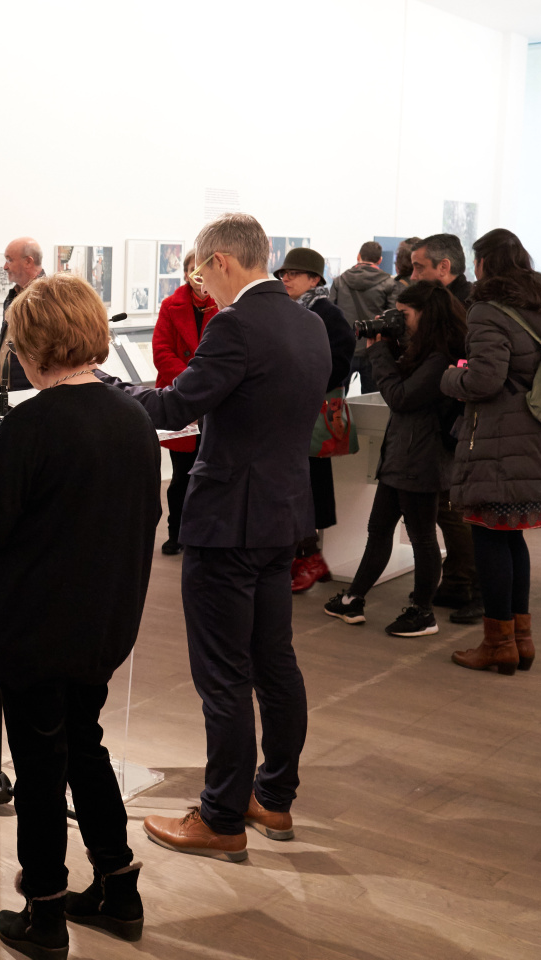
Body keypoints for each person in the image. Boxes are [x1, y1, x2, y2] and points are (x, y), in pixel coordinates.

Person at [0, 272, 159, 955]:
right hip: (102, 620)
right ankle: (119, 889)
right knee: (84, 746)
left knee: (39, 765)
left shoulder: (33, 422)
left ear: (32, 345)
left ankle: (46, 916)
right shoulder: (131, 414)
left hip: (36, 624)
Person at [119, 214, 329, 862]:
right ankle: (274, 797)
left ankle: (219, 817)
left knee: (224, 675)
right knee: (274, 662)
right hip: (281, 517)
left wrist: (103, 389)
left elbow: (177, 404)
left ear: (222, 263)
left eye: (200, 273)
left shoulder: (235, 325)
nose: (201, 288)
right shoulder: (309, 321)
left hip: (227, 522)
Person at [440, 229, 541, 676]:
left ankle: (497, 644)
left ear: (485, 263)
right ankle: (520, 641)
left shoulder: (488, 310)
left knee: (489, 538)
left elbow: (485, 380)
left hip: (501, 442)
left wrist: (450, 378)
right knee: (512, 539)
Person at [323, 281, 466, 636]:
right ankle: (353, 599)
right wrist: (392, 345)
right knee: (379, 531)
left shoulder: (440, 358)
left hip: (421, 458)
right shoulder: (423, 351)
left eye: (404, 315)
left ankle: (423, 612)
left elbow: (401, 397)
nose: (398, 321)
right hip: (402, 455)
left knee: (421, 537)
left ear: (426, 315)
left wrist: (379, 354)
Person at [408, 233, 481, 625]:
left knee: (453, 507)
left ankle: (464, 582)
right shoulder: (454, 303)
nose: (412, 273)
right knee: (446, 505)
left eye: (419, 266)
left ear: (444, 267)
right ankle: (457, 580)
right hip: (445, 413)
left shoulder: (466, 307)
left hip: (455, 415)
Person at [274, 247, 356, 593]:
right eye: (283, 273)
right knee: (295, 487)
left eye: (294, 273)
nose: (285, 278)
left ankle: (310, 556)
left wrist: (302, 379)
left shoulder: (327, 313)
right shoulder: (288, 311)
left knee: (308, 486)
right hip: (291, 413)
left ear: (315, 279)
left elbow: (339, 361)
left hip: (314, 413)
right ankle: (303, 555)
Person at [152, 249, 215, 556]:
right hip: (181, 401)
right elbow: (162, 353)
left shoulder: (227, 306)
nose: (198, 274)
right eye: (192, 268)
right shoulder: (171, 305)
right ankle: (175, 532)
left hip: (216, 403)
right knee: (181, 476)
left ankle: (204, 534)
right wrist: (194, 383)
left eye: (202, 268)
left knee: (210, 476)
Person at [330, 241, 403, 394]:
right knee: (371, 401)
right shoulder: (389, 283)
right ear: (380, 260)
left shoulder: (339, 281)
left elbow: (331, 315)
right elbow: (392, 320)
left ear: (358, 256)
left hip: (345, 348)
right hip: (373, 349)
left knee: (336, 400)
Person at [0, 236, 45, 399]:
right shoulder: (14, 295)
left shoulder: (47, 297)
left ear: (28, 262)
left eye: (9, 260)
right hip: (8, 391)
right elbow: (7, 345)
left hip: (30, 393)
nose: (5, 266)